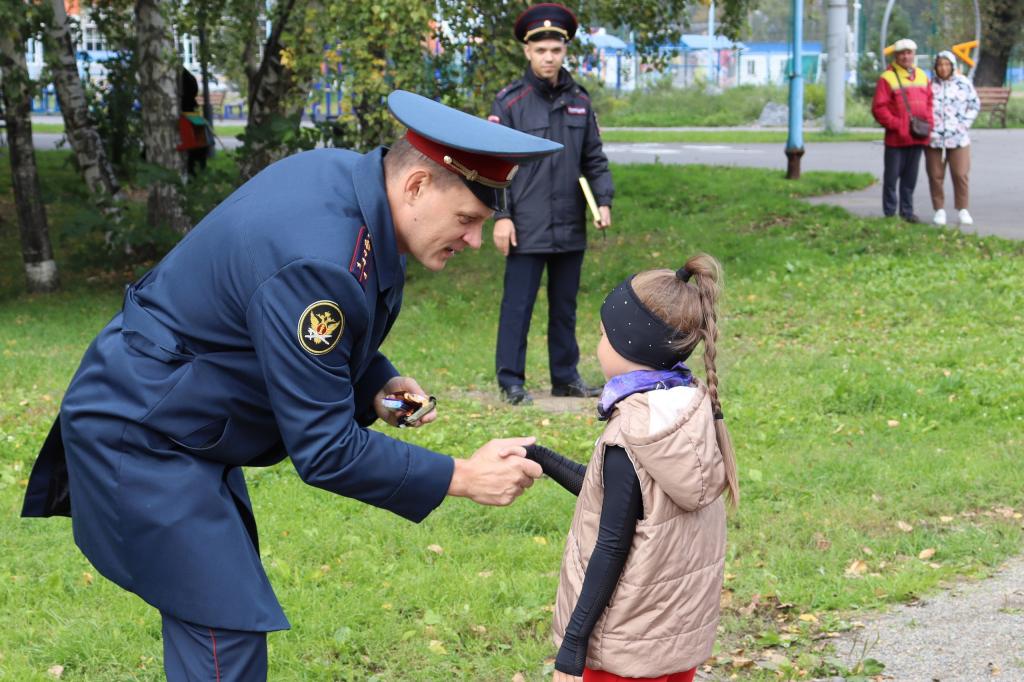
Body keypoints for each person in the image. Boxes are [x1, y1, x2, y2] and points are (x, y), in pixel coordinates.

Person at [20, 90, 561, 681]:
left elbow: (288, 324)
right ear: (415, 188)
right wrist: (463, 476)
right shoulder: (322, 259)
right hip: (143, 432)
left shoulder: (347, 184)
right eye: (467, 221)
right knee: (223, 628)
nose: (475, 242)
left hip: (181, 419)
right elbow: (325, 450)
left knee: (221, 618)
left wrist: (377, 382)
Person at [524, 254, 739, 682]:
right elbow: (626, 502)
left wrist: (573, 646)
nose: (597, 345)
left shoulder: (632, 434)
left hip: (624, 648)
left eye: (602, 334)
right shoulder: (686, 410)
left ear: (628, 343)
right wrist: (544, 458)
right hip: (672, 642)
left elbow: (611, 545)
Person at [490, 2, 614, 406]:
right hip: (525, 224)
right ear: (527, 51)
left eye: (555, 50)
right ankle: (511, 380)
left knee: (564, 308)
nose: (548, 57)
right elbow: (493, 164)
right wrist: (502, 217)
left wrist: (604, 201)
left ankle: (565, 377)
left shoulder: (580, 100)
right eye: (541, 50)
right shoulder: (510, 102)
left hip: (569, 223)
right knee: (517, 308)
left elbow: (593, 157)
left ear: (564, 51)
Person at [872, 38, 933, 223]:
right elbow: (878, 108)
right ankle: (890, 213)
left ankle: (907, 212)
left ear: (914, 54)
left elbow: (930, 102)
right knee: (891, 178)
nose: (906, 56)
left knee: (910, 178)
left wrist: (929, 121)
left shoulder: (923, 75)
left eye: (909, 53)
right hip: (896, 139)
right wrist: (896, 124)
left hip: (917, 136)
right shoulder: (887, 78)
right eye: (902, 53)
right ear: (896, 56)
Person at [926, 50, 980, 227]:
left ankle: (963, 209)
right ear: (935, 67)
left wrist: (964, 124)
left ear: (953, 66)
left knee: (960, 173)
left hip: (958, 138)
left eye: (947, 64)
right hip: (934, 139)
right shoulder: (929, 85)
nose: (943, 68)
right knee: (935, 175)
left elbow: (974, 104)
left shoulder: (963, 83)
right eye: (940, 64)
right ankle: (939, 209)